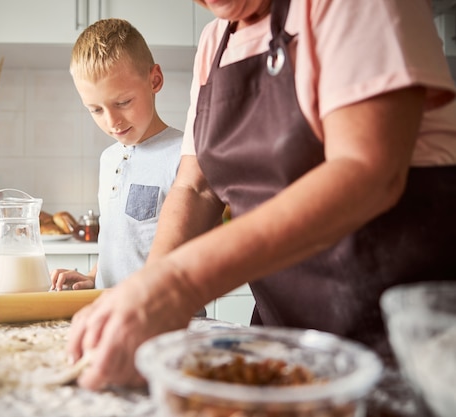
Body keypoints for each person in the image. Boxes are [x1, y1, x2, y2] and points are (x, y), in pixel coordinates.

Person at [66, 0, 456, 391]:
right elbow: (195, 187)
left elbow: (367, 172)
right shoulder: (214, 41)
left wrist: (178, 284)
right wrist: (145, 297)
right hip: (283, 341)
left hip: (401, 344)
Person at [50, 18, 183, 291]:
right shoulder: (108, 159)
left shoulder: (184, 153)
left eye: (123, 102)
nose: (112, 121)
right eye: (96, 110)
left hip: (166, 317)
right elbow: (119, 241)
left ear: (155, 80)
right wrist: (93, 277)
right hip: (112, 312)